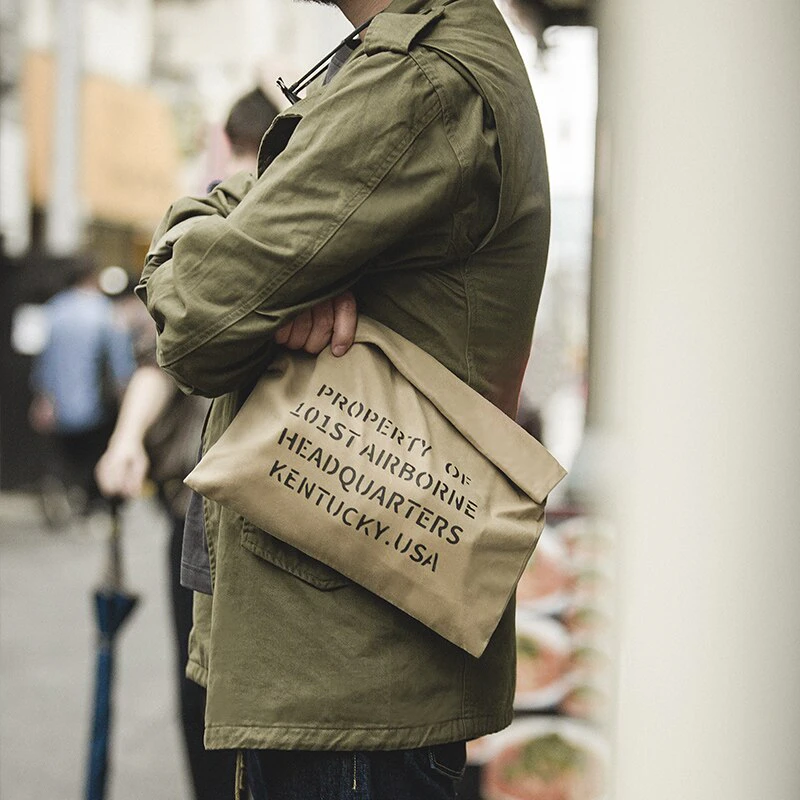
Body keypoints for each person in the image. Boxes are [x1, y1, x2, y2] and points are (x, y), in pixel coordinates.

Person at [136, 0, 551, 795]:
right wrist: (243, 248)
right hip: (347, 670)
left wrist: (201, 237)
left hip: (345, 679)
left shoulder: (419, 83)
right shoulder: (415, 64)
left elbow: (197, 320)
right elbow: (228, 268)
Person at [94, 86, 284, 800]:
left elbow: (158, 360)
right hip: (288, 498)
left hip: (203, 506)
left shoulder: (212, 220)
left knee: (203, 687)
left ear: (226, 144)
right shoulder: (297, 219)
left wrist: (126, 440)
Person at [29, 257, 135, 519]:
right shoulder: (105, 311)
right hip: (98, 402)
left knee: (67, 455)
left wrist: (43, 397)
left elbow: (44, 360)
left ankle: (69, 491)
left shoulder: (54, 310)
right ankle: (91, 502)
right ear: (92, 278)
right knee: (95, 453)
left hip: (60, 401)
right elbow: (121, 361)